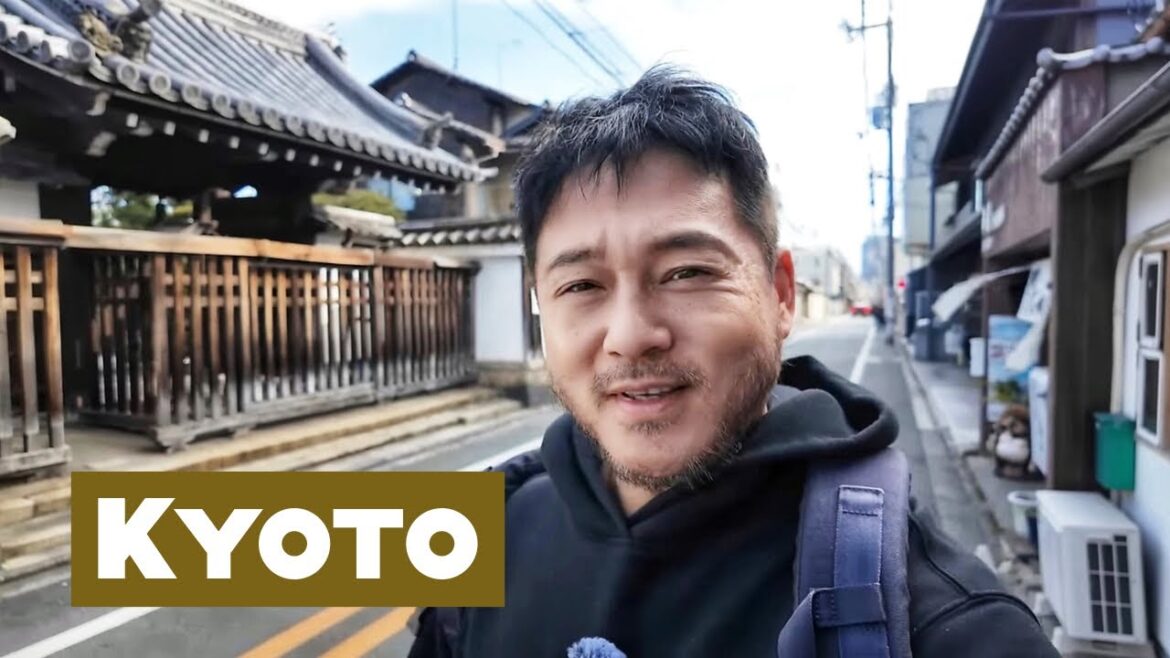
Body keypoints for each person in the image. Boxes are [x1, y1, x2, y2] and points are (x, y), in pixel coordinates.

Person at [408, 67, 1058, 657]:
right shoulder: (480, 540)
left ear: (779, 293)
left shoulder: (949, 630)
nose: (631, 336)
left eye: (687, 272)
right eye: (580, 286)